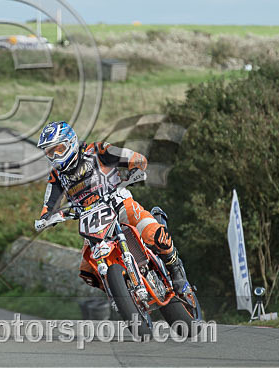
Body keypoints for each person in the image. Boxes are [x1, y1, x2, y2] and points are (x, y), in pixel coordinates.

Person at [33, 121, 191, 295]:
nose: (55, 156)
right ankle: (123, 293)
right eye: (50, 152)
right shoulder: (57, 176)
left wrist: (135, 167)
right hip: (90, 220)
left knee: (154, 234)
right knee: (88, 273)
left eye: (59, 149)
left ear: (71, 142)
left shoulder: (97, 151)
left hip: (119, 204)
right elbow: (49, 203)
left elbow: (130, 157)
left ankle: (176, 269)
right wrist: (46, 218)